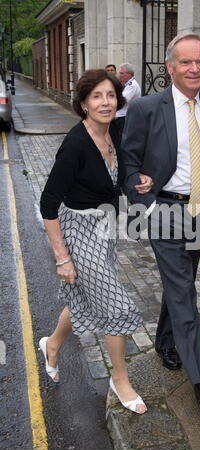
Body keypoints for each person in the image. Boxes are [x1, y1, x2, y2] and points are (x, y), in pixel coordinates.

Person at [122, 33, 200, 409]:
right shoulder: (146, 108)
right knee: (185, 291)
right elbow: (129, 165)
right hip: (164, 211)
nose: (195, 68)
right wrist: (149, 207)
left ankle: (165, 343)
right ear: (170, 68)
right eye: (186, 62)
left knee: (181, 282)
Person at [39, 69, 153, 414]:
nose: (105, 102)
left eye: (110, 95)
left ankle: (52, 345)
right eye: (96, 97)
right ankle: (120, 379)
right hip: (77, 232)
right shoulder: (74, 145)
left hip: (104, 229)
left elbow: (116, 179)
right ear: (84, 104)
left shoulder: (115, 132)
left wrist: (139, 181)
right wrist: (62, 257)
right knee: (117, 307)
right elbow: (47, 204)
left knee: (87, 301)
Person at [115, 63, 141, 138]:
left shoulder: (132, 85)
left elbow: (123, 100)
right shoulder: (126, 84)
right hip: (121, 116)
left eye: (122, 73)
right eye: (120, 73)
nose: (119, 75)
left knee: (120, 139)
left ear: (129, 74)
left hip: (124, 117)